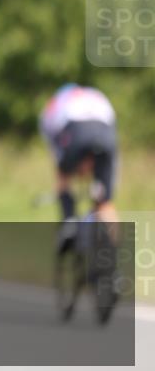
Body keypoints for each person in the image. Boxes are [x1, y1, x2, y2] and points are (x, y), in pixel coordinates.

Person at [39, 83, 119, 252]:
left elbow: (55, 145)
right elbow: (111, 130)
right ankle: (112, 258)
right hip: (105, 133)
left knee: (63, 175)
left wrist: (70, 166)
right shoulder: (96, 94)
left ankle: (68, 222)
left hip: (76, 130)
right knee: (105, 202)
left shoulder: (56, 101)